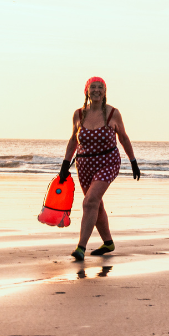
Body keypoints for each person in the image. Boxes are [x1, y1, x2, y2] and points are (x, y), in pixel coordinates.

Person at [59, 77, 140, 261]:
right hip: (84, 165)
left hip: (108, 162)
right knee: (96, 204)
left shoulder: (113, 114)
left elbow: (124, 138)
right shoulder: (78, 114)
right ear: (86, 91)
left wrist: (133, 160)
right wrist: (65, 163)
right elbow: (73, 140)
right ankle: (108, 242)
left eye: (100, 87)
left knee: (89, 202)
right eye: (92, 87)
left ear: (105, 91)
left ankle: (81, 247)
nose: (96, 90)